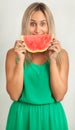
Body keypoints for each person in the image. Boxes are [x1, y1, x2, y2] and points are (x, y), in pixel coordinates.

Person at [5, 2, 69, 130]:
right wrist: (21, 60)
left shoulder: (61, 54)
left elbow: (59, 96)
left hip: (51, 116)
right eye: (32, 23)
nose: (37, 30)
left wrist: (53, 60)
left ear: (49, 25)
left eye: (42, 24)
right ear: (25, 25)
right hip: (22, 117)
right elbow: (14, 95)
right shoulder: (13, 54)